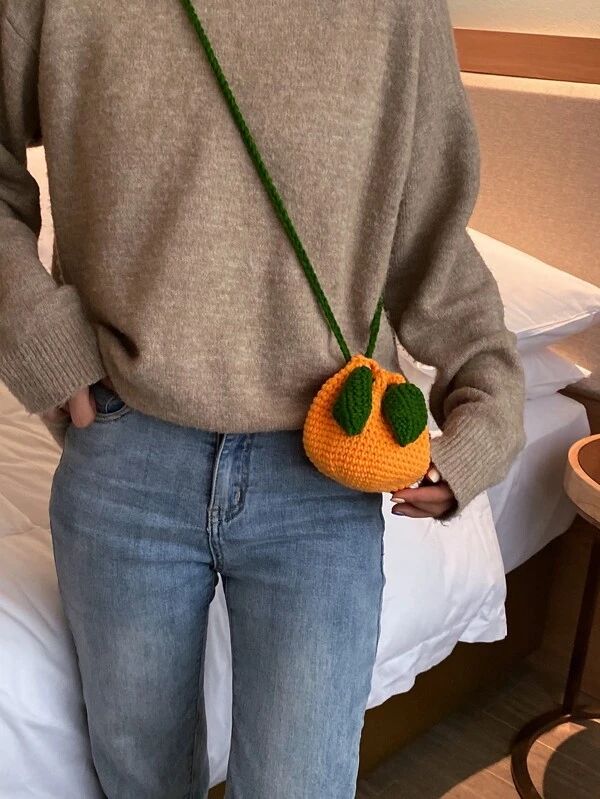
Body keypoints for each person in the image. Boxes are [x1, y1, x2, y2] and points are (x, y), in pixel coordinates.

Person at [0, 1, 526, 797]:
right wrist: (48, 345)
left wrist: (488, 399)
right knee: (138, 779)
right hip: (125, 452)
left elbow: (429, 232)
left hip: (325, 473)